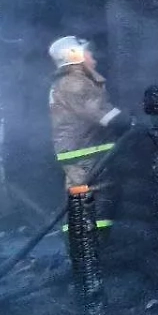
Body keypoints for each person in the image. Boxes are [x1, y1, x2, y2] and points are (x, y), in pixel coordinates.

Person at [47, 36, 133, 229]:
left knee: (86, 207)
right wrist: (131, 121)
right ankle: (93, 254)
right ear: (74, 55)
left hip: (83, 154)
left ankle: (89, 251)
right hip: (86, 156)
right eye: (88, 51)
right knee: (94, 208)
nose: (93, 56)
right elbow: (102, 114)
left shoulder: (68, 82)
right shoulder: (74, 83)